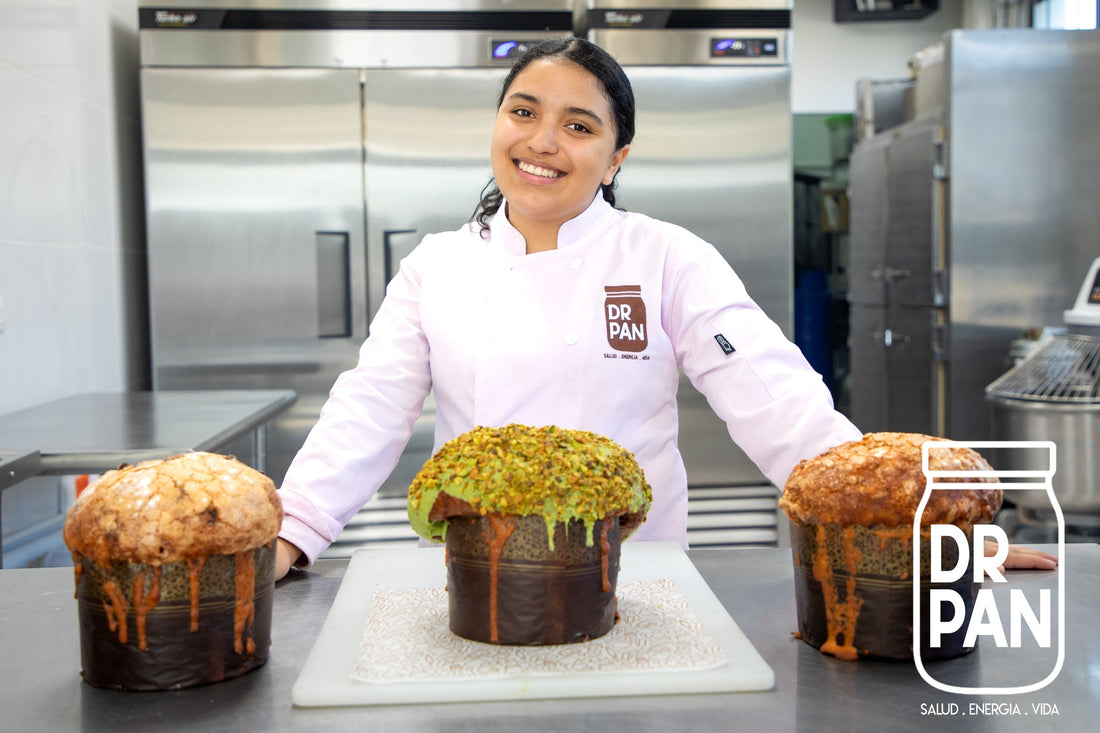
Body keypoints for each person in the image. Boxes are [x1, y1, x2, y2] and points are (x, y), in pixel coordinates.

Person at [273, 38, 1055, 580]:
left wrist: (911, 529)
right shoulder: (436, 266)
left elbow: (774, 396)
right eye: (523, 111)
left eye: (579, 126)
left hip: (638, 574)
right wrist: (290, 534)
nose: (543, 140)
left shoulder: (664, 256)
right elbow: (369, 409)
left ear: (615, 158)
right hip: (477, 573)